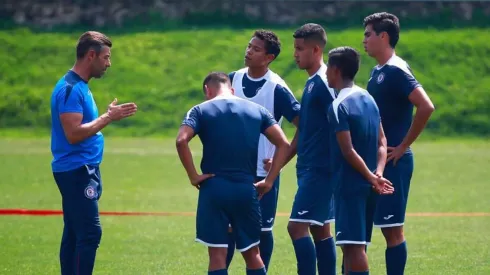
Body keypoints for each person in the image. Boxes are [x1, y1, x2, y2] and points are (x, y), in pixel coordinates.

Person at [176, 72, 291, 275]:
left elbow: (181, 140)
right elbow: (283, 143)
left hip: (214, 189)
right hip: (246, 189)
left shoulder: (200, 110)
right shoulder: (258, 110)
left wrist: (193, 176)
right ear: (232, 89)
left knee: (217, 255)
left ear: (207, 90)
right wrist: (270, 180)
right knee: (253, 253)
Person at [50, 31, 138, 275]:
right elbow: (73, 134)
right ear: (91, 55)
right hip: (76, 171)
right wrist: (108, 117)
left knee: (75, 231)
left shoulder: (79, 86)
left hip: (82, 169)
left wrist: (105, 117)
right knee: (90, 232)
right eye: (106, 57)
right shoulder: (69, 89)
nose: (108, 64)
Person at [362, 12, 435, 274]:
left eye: (368, 34)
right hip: (376, 161)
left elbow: (426, 106)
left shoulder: (397, 70)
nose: (364, 40)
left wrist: (403, 146)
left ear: (384, 36)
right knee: (365, 228)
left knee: (392, 231)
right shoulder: (377, 71)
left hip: (394, 161)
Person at [227, 29, 300, 271]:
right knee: (226, 228)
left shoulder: (276, 88)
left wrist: (280, 163)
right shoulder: (232, 80)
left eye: (256, 49)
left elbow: (304, 126)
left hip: (262, 174)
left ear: (269, 57)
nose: (248, 51)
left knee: (262, 230)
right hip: (230, 170)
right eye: (249, 46)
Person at [325, 46, 394, 275]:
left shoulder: (337, 106)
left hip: (350, 185)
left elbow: (348, 151)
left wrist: (370, 177)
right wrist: (378, 174)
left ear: (335, 70)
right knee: (355, 246)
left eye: (328, 67)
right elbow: (382, 142)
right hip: (370, 184)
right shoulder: (368, 98)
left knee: (353, 249)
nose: (325, 73)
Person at [289, 23, 337, 275]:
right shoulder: (311, 83)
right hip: (309, 167)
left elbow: (345, 115)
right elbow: (303, 131)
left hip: (320, 169)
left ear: (316, 49)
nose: (295, 53)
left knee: (296, 228)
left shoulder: (325, 83)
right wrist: (277, 163)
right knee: (320, 229)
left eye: (299, 48)